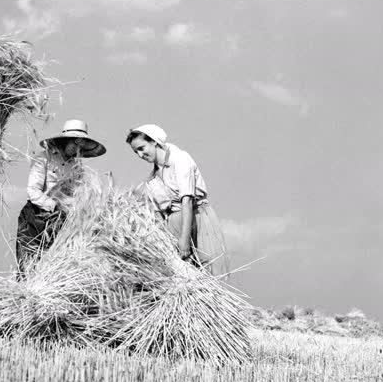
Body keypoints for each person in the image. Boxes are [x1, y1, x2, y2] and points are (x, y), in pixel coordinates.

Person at [126, 124, 229, 276]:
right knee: (182, 275)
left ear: (154, 141)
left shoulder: (180, 159)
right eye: (136, 152)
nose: (140, 155)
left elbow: (186, 201)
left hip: (196, 218)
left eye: (142, 148)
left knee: (207, 270)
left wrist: (184, 239)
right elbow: (159, 214)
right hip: (173, 224)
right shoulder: (152, 179)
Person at [15, 119, 106, 278]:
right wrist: (54, 205)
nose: (78, 148)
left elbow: (78, 192)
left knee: (52, 263)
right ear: (65, 140)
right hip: (35, 217)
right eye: (75, 143)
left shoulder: (77, 167)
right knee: (28, 263)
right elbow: (33, 191)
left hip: (60, 220)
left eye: (81, 145)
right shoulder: (43, 158)